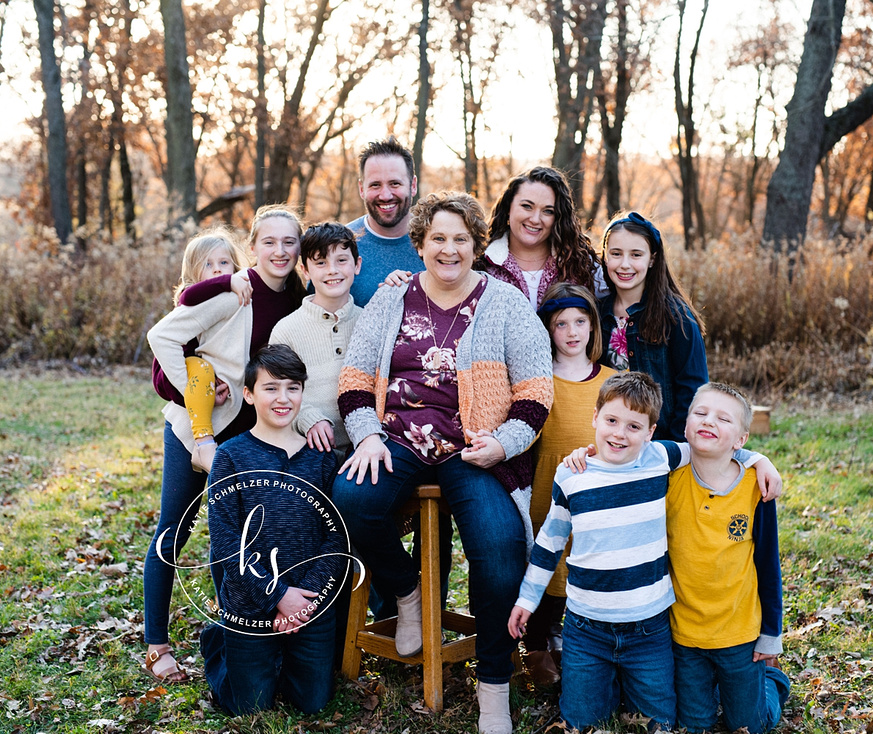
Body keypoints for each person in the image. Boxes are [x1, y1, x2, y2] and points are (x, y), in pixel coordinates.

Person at [333, 191, 554, 734]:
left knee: (500, 549)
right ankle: (409, 595)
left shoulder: (505, 303)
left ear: (477, 245)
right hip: (398, 440)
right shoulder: (392, 299)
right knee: (352, 501)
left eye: (461, 239)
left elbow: (535, 392)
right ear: (421, 243)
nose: (449, 249)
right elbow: (357, 379)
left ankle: (493, 690)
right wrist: (365, 437)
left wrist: (503, 443)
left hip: (475, 449)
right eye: (438, 239)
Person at [509, 372, 781, 731]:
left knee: (660, 725)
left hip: (648, 629)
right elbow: (549, 541)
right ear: (595, 417)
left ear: (652, 432)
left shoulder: (659, 460)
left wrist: (759, 459)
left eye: (634, 426)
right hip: (586, 626)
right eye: (611, 421)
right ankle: (605, 685)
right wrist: (527, 600)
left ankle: (761, 683)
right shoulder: (572, 474)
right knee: (583, 722)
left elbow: (713, 446)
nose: (620, 433)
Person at [142, 207, 305, 683]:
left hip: (250, 436)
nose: (279, 251)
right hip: (197, 431)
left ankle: (239, 637)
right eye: (269, 242)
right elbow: (162, 335)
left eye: (289, 243)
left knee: (241, 540)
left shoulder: (297, 296)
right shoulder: (236, 291)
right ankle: (157, 646)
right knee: (174, 529)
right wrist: (194, 397)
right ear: (252, 247)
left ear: (298, 249)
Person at [200, 344, 348, 715]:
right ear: (249, 395)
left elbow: (336, 537)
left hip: (309, 603)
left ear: (302, 392)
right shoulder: (231, 457)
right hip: (250, 603)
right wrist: (277, 594)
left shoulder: (322, 458)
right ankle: (219, 640)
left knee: (312, 703)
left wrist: (303, 600)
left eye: (292, 388)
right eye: (271, 388)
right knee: (247, 707)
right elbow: (225, 540)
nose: (283, 398)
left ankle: (285, 656)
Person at [666, 383, 790, 733]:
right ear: (686, 424)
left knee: (750, 725)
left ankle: (772, 681)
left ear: (741, 439)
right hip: (685, 635)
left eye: (723, 418)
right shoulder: (668, 479)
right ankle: (723, 686)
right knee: (695, 725)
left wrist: (770, 634)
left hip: (740, 635)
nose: (709, 422)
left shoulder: (756, 488)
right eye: (700, 413)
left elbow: (768, 566)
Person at [521, 282, 616, 685]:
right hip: (549, 492)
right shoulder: (538, 380)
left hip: (597, 498)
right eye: (562, 324)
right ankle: (538, 649)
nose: (573, 332)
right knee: (548, 570)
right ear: (549, 329)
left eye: (581, 321)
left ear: (594, 326)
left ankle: (581, 648)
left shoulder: (611, 381)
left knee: (585, 570)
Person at [598, 211, 707, 441]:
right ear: (605, 257)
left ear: (652, 259)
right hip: (608, 443)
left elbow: (693, 389)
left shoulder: (676, 317)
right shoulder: (596, 314)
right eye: (616, 254)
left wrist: (675, 448)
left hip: (657, 446)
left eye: (636, 254)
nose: (625, 264)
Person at [152, 232, 251, 475]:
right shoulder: (193, 293)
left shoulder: (230, 298)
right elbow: (189, 295)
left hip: (199, 374)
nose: (217, 270)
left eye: (224, 263)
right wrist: (229, 282)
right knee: (203, 369)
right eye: (208, 264)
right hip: (176, 369)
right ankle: (204, 441)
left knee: (205, 371)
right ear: (194, 272)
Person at [269, 222, 362, 458]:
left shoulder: (369, 322)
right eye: (321, 263)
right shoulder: (286, 330)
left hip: (364, 446)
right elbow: (276, 395)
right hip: (306, 448)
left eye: (341, 260)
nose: (332, 270)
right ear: (306, 271)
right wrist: (307, 418)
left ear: (357, 265)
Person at [477, 166, 606, 309]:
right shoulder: (481, 264)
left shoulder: (581, 265)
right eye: (527, 206)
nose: (535, 219)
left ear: (558, 217)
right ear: (508, 207)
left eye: (548, 211)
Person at [347, 136, 424, 306]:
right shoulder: (341, 244)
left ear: (413, 185)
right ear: (361, 189)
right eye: (375, 185)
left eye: (395, 183)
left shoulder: (438, 244)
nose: (385, 195)